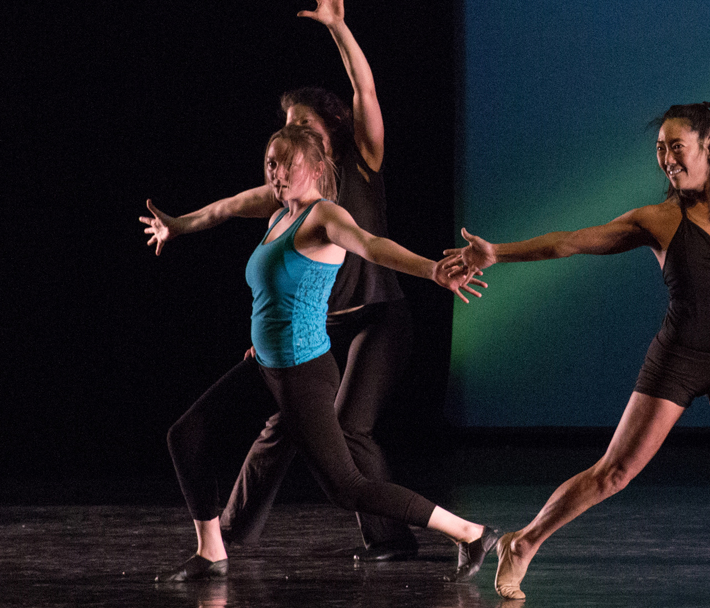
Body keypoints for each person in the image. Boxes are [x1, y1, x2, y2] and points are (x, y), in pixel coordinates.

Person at [450, 102, 710, 602]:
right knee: (614, 473)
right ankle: (523, 542)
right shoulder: (660, 220)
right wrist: (499, 252)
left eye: (677, 147)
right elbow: (571, 243)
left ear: (709, 144)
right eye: (660, 150)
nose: (667, 159)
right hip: (677, 359)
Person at [141, 0, 424, 561]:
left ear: (331, 132)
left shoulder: (361, 162)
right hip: (314, 331)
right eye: (285, 126)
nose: (290, 135)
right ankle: (235, 534)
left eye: (302, 125)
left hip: (376, 317)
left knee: (349, 426)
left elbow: (364, 91)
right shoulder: (289, 192)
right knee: (283, 427)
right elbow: (227, 206)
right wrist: (178, 225)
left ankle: (391, 540)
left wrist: (339, 28)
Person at [158, 124, 498, 582]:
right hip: (263, 364)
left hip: (303, 373)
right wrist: (177, 225)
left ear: (317, 168)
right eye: (270, 163)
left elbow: (374, 247)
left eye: (286, 164)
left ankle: (472, 533)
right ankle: (212, 551)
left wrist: (432, 271)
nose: (276, 174)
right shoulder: (278, 209)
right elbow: (225, 207)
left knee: (348, 488)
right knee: (187, 434)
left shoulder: (326, 218)